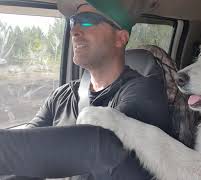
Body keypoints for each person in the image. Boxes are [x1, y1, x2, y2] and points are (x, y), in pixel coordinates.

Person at [0, 0, 171, 179]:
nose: (74, 31)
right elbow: (26, 149)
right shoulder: (61, 95)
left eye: (88, 20)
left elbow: (109, 146)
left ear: (120, 38)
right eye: (74, 22)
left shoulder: (144, 91)